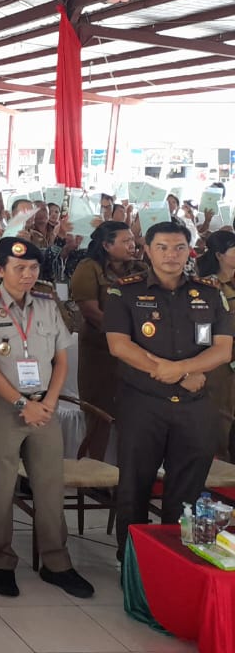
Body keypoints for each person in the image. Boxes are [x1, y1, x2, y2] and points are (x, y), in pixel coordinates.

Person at [0, 240, 93, 599]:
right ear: (1, 269)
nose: (27, 275)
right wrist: (22, 402)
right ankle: (2, 563)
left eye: (33, 268)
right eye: (19, 268)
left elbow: (62, 362)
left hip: (44, 407)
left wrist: (48, 402)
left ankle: (57, 562)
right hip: (1, 407)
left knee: (50, 486)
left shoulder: (48, 305)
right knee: (0, 488)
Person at [105, 221, 234, 555]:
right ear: (146, 250)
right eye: (161, 247)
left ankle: (176, 560)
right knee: (135, 486)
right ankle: (132, 561)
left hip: (195, 405)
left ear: (190, 251)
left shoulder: (208, 292)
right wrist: (177, 374)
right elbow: (119, 346)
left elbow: (222, 349)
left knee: (187, 489)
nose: (171, 255)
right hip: (143, 404)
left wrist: (182, 370)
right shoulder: (125, 291)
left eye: (179, 247)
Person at [68, 221, 139, 459]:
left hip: (135, 354)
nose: (132, 245)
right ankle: (95, 473)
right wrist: (124, 334)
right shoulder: (89, 268)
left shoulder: (139, 268)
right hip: (100, 353)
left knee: (132, 416)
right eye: (126, 241)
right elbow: (90, 311)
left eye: (132, 240)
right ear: (107, 245)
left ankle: (127, 476)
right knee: (99, 414)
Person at [197, 230, 235, 460]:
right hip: (218, 365)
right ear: (220, 255)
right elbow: (202, 330)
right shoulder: (209, 286)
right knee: (219, 423)